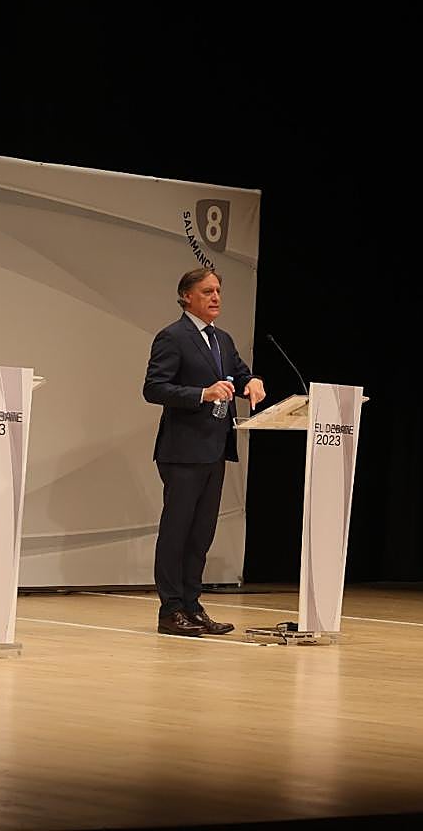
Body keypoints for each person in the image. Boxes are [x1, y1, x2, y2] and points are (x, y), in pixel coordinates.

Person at [143, 268, 265, 637]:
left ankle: (193, 606)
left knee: (201, 533)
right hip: (182, 450)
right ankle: (170, 610)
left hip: (214, 448)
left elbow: (240, 374)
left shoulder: (222, 340)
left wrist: (252, 381)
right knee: (177, 531)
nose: (216, 297)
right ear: (186, 296)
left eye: (218, 291)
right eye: (207, 291)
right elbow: (154, 388)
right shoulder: (173, 337)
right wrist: (202, 394)